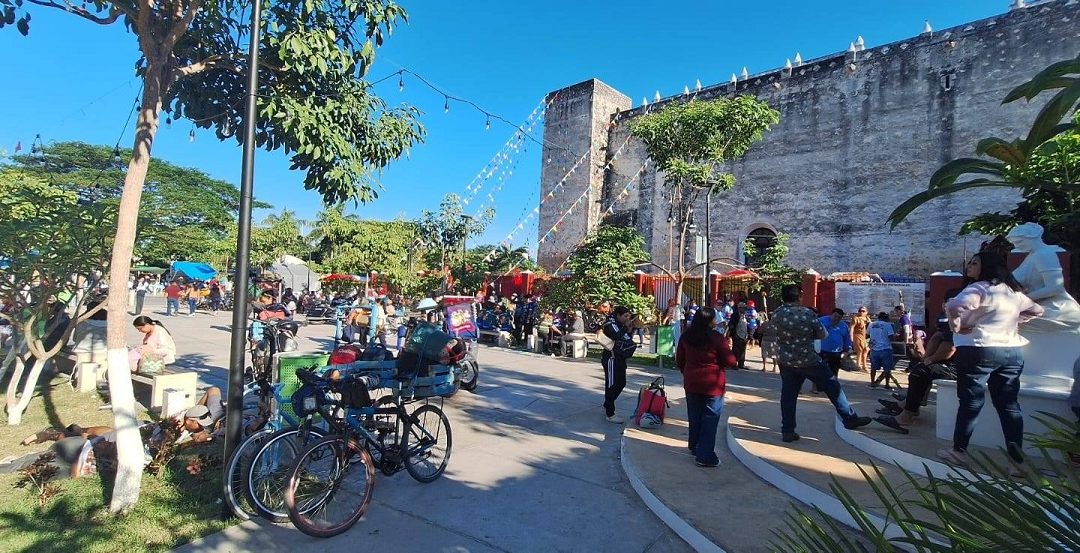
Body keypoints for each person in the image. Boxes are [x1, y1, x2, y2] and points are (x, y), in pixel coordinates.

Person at [938, 245, 1043, 470]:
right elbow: (1037, 311)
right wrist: (1015, 322)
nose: (969, 266)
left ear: (987, 267)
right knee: (1009, 406)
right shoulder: (1013, 292)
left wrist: (957, 327)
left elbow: (955, 305)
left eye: (974, 262)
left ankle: (959, 452)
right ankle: (1016, 462)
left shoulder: (979, 288)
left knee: (971, 402)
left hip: (978, 348)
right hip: (1011, 352)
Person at [772, 284, 871, 443]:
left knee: (788, 396)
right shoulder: (807, 314)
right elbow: (822, 334)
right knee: (832, 386)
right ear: (799, 296)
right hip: (808, 359)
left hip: (786, 360)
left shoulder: (776, 314)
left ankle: (788, 431)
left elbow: (773, 331)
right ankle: (849, 417)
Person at [875, 292, 961, 433]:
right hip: (953, 363)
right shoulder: (947, 320)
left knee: (919, 373)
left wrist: (930, 360)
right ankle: (908, 406)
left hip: (959, 367)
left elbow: (950, 348)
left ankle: (906, 416)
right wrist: (926, 359)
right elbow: (937, 337)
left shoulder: (955, 320)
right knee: (921, 369)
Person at [676, 307, 737, 467]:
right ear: (710, 321)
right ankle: (705, 455)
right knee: (710, 418)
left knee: (694, 415)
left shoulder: (686, 336)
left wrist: (687, 371)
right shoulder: (717, 338)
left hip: (691, 380)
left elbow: (680, 359)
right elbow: (731, 361)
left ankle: (694, 445)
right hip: (712, 383)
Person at [599, 306, 638, 423]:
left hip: (620, 358)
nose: (627, 318)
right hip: (611, 358)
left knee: (621, 383)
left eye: (628, 316)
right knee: (611, 384)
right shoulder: (610, 324)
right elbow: (617, 336)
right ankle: (610, 413)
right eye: (625, 316)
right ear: (618, 315)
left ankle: (608, 402)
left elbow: (626, 338)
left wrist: (632, 328)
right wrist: (626, 327)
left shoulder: (620, 325)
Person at [867, 313, 900, 389]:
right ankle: (887, 384)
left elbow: (867, 335)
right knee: (887, 368)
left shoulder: (871, 324)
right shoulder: (887, 325)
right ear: (886, 318)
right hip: (885, 349)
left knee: (873, 368)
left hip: (874, 349)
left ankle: (872, 382)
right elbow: (891, 337)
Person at [818, 308, 852, 378]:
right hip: (822, 350)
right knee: (819, 371)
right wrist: (829, 325)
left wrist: (846, 350)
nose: (836, 319)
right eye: (835, 316)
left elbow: (847, 339)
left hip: (836, 352)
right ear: (831, 314)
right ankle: (815, 388)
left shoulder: (843, 326)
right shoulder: (822, 320)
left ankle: (834, 387)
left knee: (834, 371)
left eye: (839, 317)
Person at [727, 302, 750, 369]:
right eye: (743, 308)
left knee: (743, 350)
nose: (745, 309)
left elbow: (747, 325)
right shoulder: (735, 315)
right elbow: (731, 324)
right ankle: (733, 364)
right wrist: (732, 332)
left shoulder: (745, 315)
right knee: (736, 350)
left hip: (744, 335)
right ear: (739, 308)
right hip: (737, 334)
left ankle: (741, 364)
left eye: (745, 308)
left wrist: (748, 334)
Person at [850, 306, 871, 372]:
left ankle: (864, 365)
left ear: (866, 312)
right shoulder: (856, 318)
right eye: (860, 311)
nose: (861, 312)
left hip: (865, 337)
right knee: (860, 350)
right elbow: (852, 328)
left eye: (863, 311)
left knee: (865, 350)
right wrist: (851, 337)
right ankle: (858, 365)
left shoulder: (867, 318)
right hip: (857, 336)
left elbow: (870, 326)